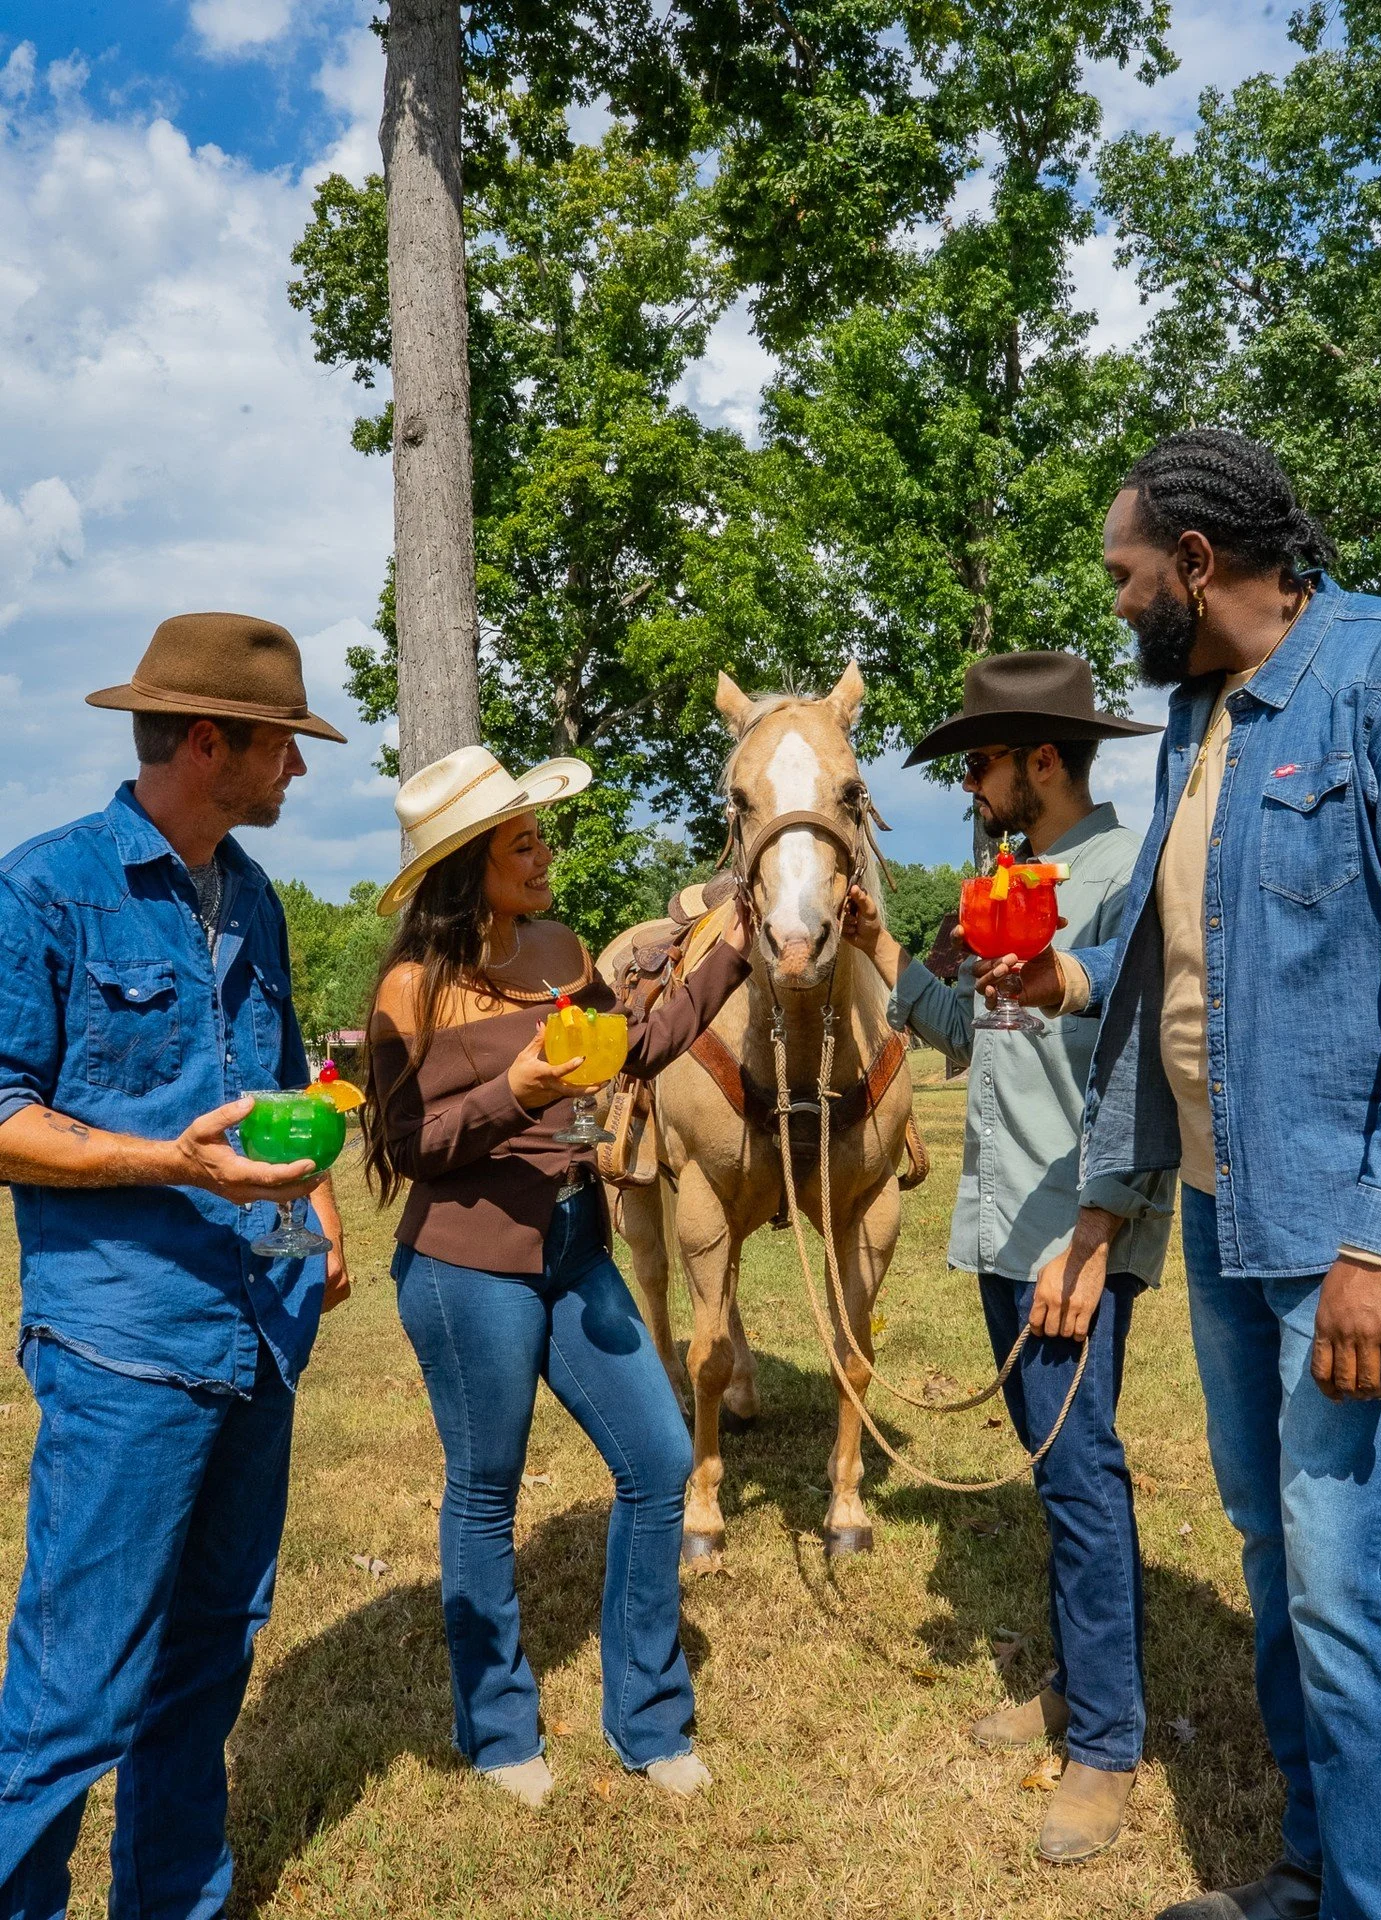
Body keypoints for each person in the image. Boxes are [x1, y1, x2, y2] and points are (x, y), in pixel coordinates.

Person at [986, 430, 1381, 1920]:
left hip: (1342, 1236)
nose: (1114, 607)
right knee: (1275, 1555)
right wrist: (1099, 1179)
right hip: (1224, 1212)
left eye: (1124, 577)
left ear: (1195, 564)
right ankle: (1316, 1871)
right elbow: (1156, 975)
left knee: (1347, 1580)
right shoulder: (1198, 723)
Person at [0, 614, 351, 1916]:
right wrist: (172, 1164)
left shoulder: (250, 896)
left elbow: (262, 1087)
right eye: (282, 749)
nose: (298, 775)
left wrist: (310, 1221)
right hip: (126, 1347)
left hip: (258, 1327)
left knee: (210, 1657)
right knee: (76, 1689)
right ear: (210, 744)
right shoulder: (46, 890)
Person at [364, 744, 752, 1808]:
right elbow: (406, 1144)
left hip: (576, 1250)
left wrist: (737, 951)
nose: (543, 856)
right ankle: (497, 1732)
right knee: (486, 1497)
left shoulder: (560, 949)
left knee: (661, 1460)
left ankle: (648, 1719)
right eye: (521, 844)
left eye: (539, 838)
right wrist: (520, 1090)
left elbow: (632, 1046)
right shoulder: (410, 987)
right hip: (465, 1272)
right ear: (467, 868)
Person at [843, 651, 1172, 1865]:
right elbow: (974, 1038)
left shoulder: (1126, 879)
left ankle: (1107, 1744)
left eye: (979, 763)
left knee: (1082, 1476)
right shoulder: (1005, 884)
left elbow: (1148, 1062)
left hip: (1074, 1232)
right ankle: (1074, 1689)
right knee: (1053, 1469)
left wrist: (1101, 1228)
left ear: (1041, 760)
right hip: (1002, 1224)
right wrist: (883, 950)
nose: (971, 786)